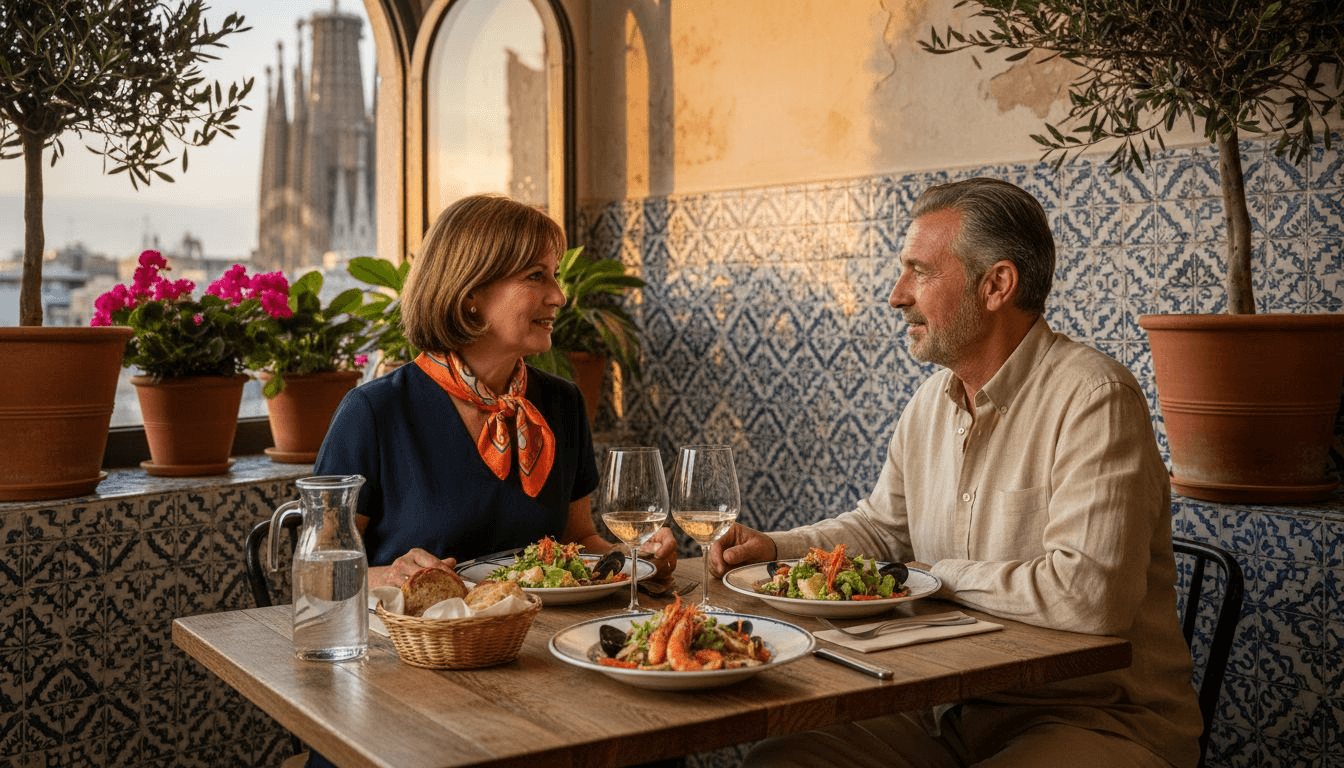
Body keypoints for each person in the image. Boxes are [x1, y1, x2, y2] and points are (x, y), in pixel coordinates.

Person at [711, 178, 1202, 768]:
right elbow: (879, 531)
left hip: (1097, 720)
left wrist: (931, 576)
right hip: (948, 711)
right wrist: (776, 547)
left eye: (920, 272)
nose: (897, 295)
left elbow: (1091, 596)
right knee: (783, 760)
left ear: (996, 285)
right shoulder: (930, 403)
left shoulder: (1095, 398)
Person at [313, 193, 677, 588]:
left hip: (542, 637)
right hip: (419, 645)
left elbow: (579, 541)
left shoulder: (563, 403)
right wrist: (389, 575)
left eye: (555, 275)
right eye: (536, 276)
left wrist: (636, 561)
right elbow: (317, 574)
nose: (559, 296)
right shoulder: (374, 412)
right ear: (470, 292)